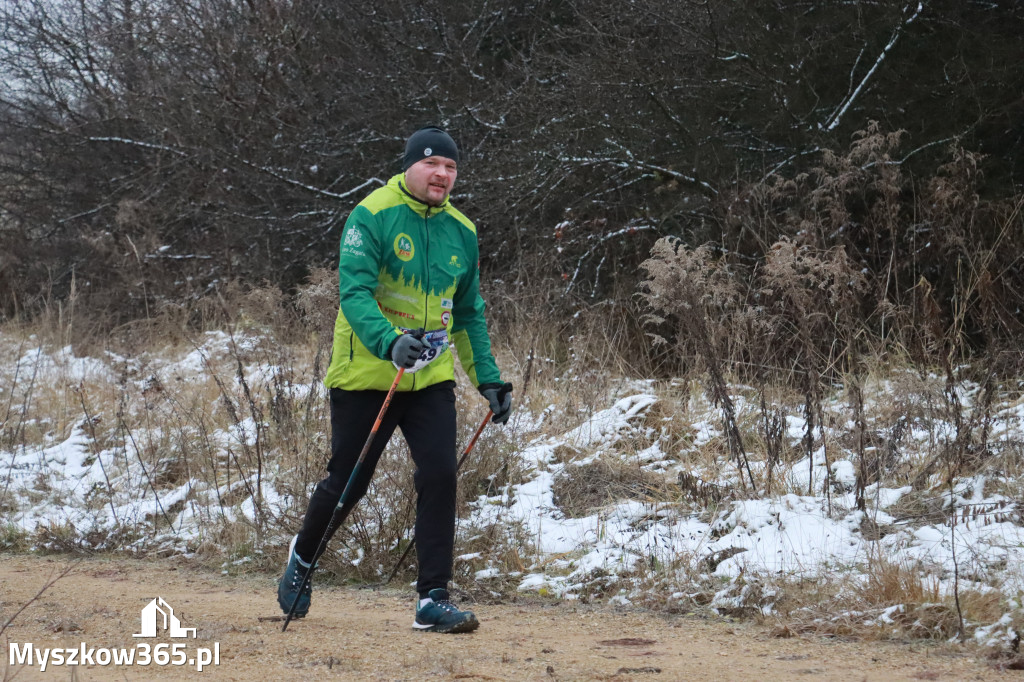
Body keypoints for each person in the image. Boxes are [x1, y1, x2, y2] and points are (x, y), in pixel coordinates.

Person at [277, 126, 513, 634]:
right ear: (410, 166)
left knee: (440, 475)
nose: (442, 175)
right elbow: (354, 293)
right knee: (349, 483)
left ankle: (433, 598)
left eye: (451, 168)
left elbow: (469, 314)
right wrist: (388, 340)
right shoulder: (373, 214)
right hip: (368, 374)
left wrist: (488, 382)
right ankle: (303, 557)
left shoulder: (462, 231)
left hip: (430, 378)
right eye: (433, 165)